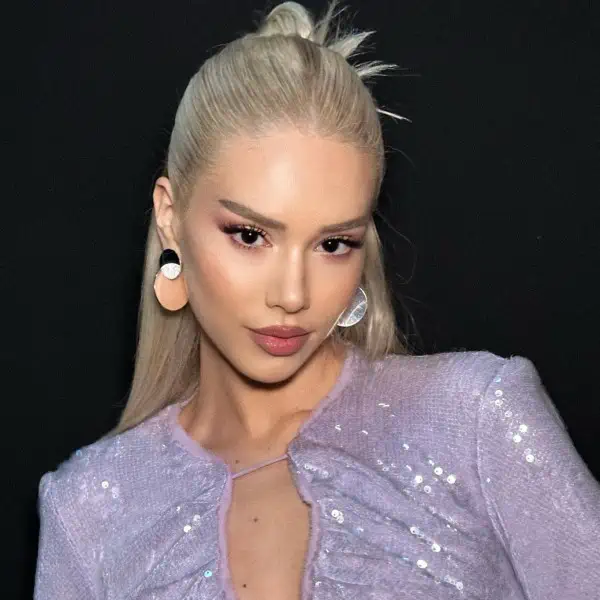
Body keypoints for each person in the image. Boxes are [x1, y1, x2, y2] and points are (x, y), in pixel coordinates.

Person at [33, 1, 600, 599]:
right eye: (250, 235)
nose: (293, 295)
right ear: (170, 217)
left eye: (333, 244)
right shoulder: (90, 510)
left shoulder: (474, 421)